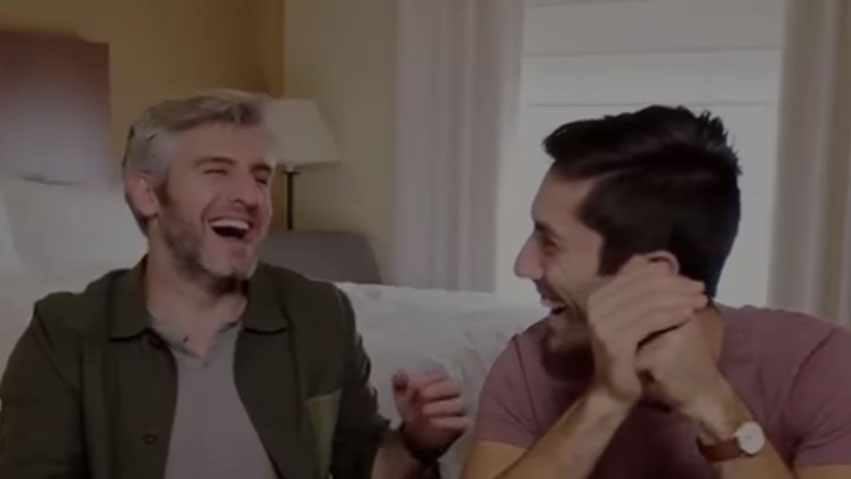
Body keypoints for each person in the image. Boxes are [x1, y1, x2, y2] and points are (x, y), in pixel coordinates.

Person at [0, 90, 467, 479]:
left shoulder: (320, 314)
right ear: (147, 195)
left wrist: (415, 444)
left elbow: (366, 468)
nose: (250, 196)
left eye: (261, 177)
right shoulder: (62, 336)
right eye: (217, 171)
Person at [462, 106, 851, 479]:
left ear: (653, 275)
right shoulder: (530, 365)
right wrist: (606, 400)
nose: (523, 265)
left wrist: (715, 407)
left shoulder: (819, 366)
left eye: (550, 243)